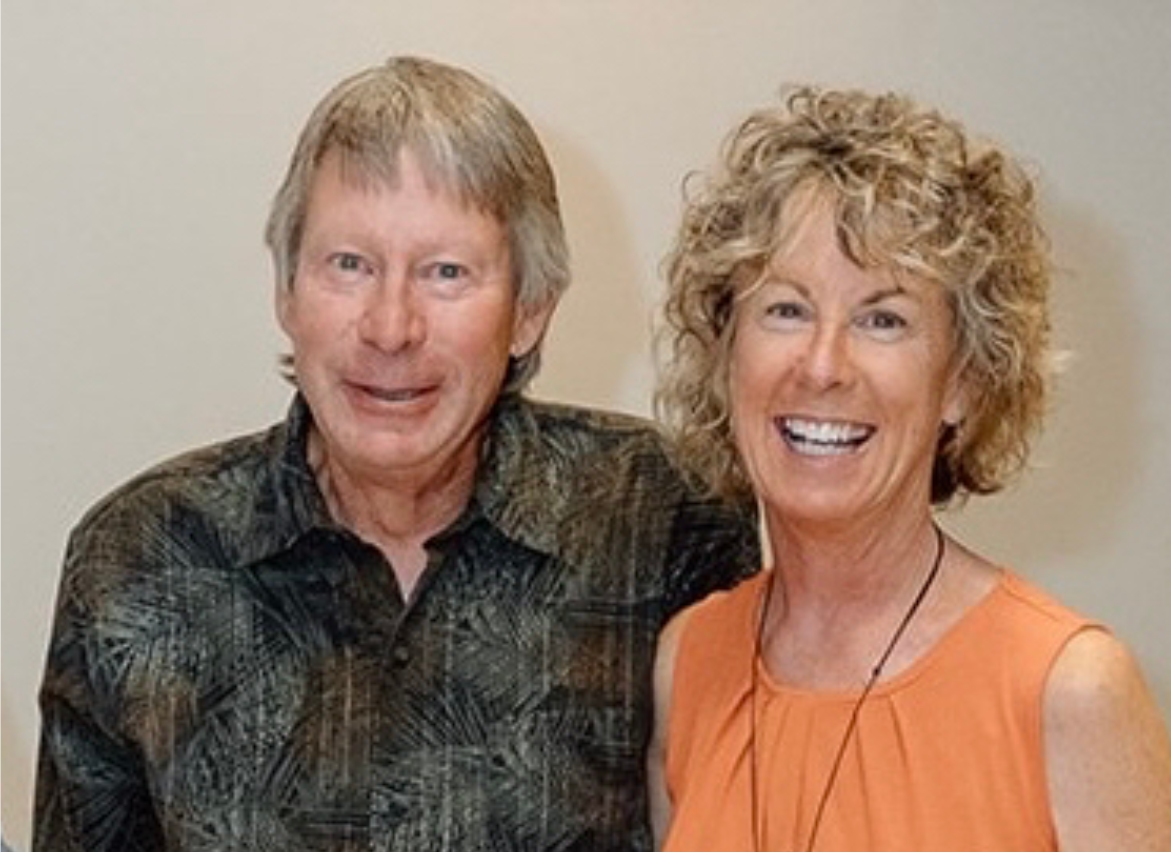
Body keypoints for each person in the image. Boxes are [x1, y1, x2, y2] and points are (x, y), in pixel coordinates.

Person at [34, 56, 758, 852]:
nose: (390, 327)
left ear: (529, 312)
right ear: (286, 293)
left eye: (445, 273)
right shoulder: (139, 559)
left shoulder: (659, 517)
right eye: (350, 266)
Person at [647, 86, 1171, 850]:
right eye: (785, 308)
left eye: (884, 319)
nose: (821, 364)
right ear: (725, 353)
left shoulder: (1066, 688)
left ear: (962, 383)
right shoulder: (689, 663)